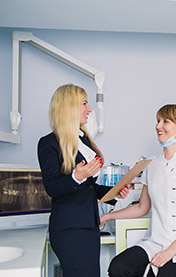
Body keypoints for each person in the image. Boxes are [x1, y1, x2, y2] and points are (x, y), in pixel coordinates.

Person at [100, 104, 176, 277]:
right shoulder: (151, 165)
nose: (158, 126)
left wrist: (170, 252)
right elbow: (142, 207)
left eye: (165, 121)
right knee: (119, 267)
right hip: (155, 243)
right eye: (158, 121)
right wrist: (107, 216)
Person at [37, 84, 129, 277]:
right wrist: (76, 176)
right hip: (70, 231)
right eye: (85, 103)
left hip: (89, 227)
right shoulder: (48, 143)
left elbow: (89, 188)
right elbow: (52, 187)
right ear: (68, 107)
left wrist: (114, 192)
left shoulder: (83, 140)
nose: (89, 110)